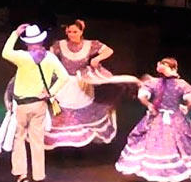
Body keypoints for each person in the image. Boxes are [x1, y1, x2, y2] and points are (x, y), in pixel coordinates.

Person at [115, 58, 191, 182]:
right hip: (162, 119)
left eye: (166, 66)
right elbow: (143, 95)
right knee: (163, 149)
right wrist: (150, 105)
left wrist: (185, 107)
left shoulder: (176, 84)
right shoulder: (159, 83)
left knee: (173, 148)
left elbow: (190, 99)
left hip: (173, 120)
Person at [45, 20, 140, 148]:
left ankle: (82, 146)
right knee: (62, 115)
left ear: (81, 32)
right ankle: (64, 145)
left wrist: (96, 59)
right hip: (64, 84)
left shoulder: (90, 45)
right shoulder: (59, 45)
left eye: (75, 32)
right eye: (69, 32)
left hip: (82, 85)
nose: (72, 34)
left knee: (83, 116)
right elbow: (48, 58)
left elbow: (108, 50)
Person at [1, 24, 69, 182]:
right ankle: (38, 177)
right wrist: (50, 92)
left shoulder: (23, 57)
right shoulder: (50, 57)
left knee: (19, 138)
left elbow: (5, 53)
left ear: (27, 43)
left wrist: (15, 33)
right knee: (37, 141)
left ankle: (22, 175)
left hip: (22, 105)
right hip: (39, 104)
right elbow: (64, 77)